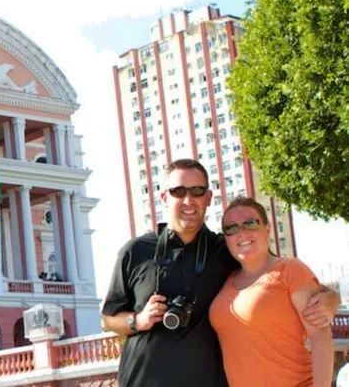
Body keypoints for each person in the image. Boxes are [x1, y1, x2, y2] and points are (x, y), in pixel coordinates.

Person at [101, 158, 338, 387]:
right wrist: (138, 320)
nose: (188, 199)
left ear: (208, 197)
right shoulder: (135, 252)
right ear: (164, 197)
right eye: (178, 191)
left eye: (197, 191)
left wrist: (331, 298)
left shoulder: (228, 247)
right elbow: (110, 317)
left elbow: (276, 270)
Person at [209, 197, 333, 386]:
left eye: (250, 223)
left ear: (267, 229)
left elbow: (320, 335)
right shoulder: (226, 280)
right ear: (226, 238)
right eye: (231, 228)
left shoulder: (290, 270)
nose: (241, 232)